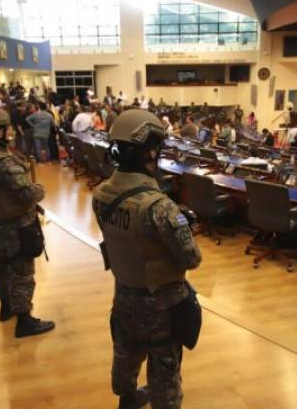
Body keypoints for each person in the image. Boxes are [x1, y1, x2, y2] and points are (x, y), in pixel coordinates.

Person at [92, 110, 202, 408]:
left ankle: (126, 397)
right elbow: (192, 258)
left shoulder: (101, 193)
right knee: (163, 364)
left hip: (124, 291)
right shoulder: (160, 207)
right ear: (149, 152)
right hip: (161, 303)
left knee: (125, 349)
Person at [0, 108, 55, 338]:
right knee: (21, 271)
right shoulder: (2, 162)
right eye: (4, 129)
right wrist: (40, 190)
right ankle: (24, 320)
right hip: (17, 227)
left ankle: (6, 307)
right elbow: (27, 193)